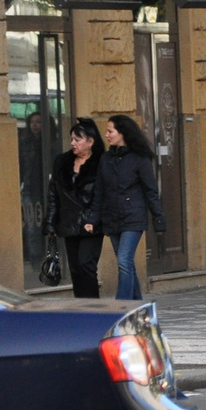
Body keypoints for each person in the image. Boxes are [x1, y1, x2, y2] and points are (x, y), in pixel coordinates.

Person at [84, 115, 164, 301]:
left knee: (124, 261)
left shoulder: (139, 158)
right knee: (127, 264)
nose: (107, 135)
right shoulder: (106, 159)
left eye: (110, 131)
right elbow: (99, 192)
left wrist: (158, 218)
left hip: (133, 217)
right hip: (111, 218)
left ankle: (122, 305)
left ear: (122, 133)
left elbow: (150, 190)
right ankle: (137, 304)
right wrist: (92, 219)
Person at [43, 117, 103, 297]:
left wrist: (94, 218)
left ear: (90, 142)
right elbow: (53, 193)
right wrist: (51, 223)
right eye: (72, 139)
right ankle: (81, 307)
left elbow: (102, 195)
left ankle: (93, 307)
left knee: (87, 264)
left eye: (78, 139)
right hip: (69, 222)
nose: (73, 143)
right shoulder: (62, 161)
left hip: (91, 223)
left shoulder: (101, 162)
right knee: (75, 268)